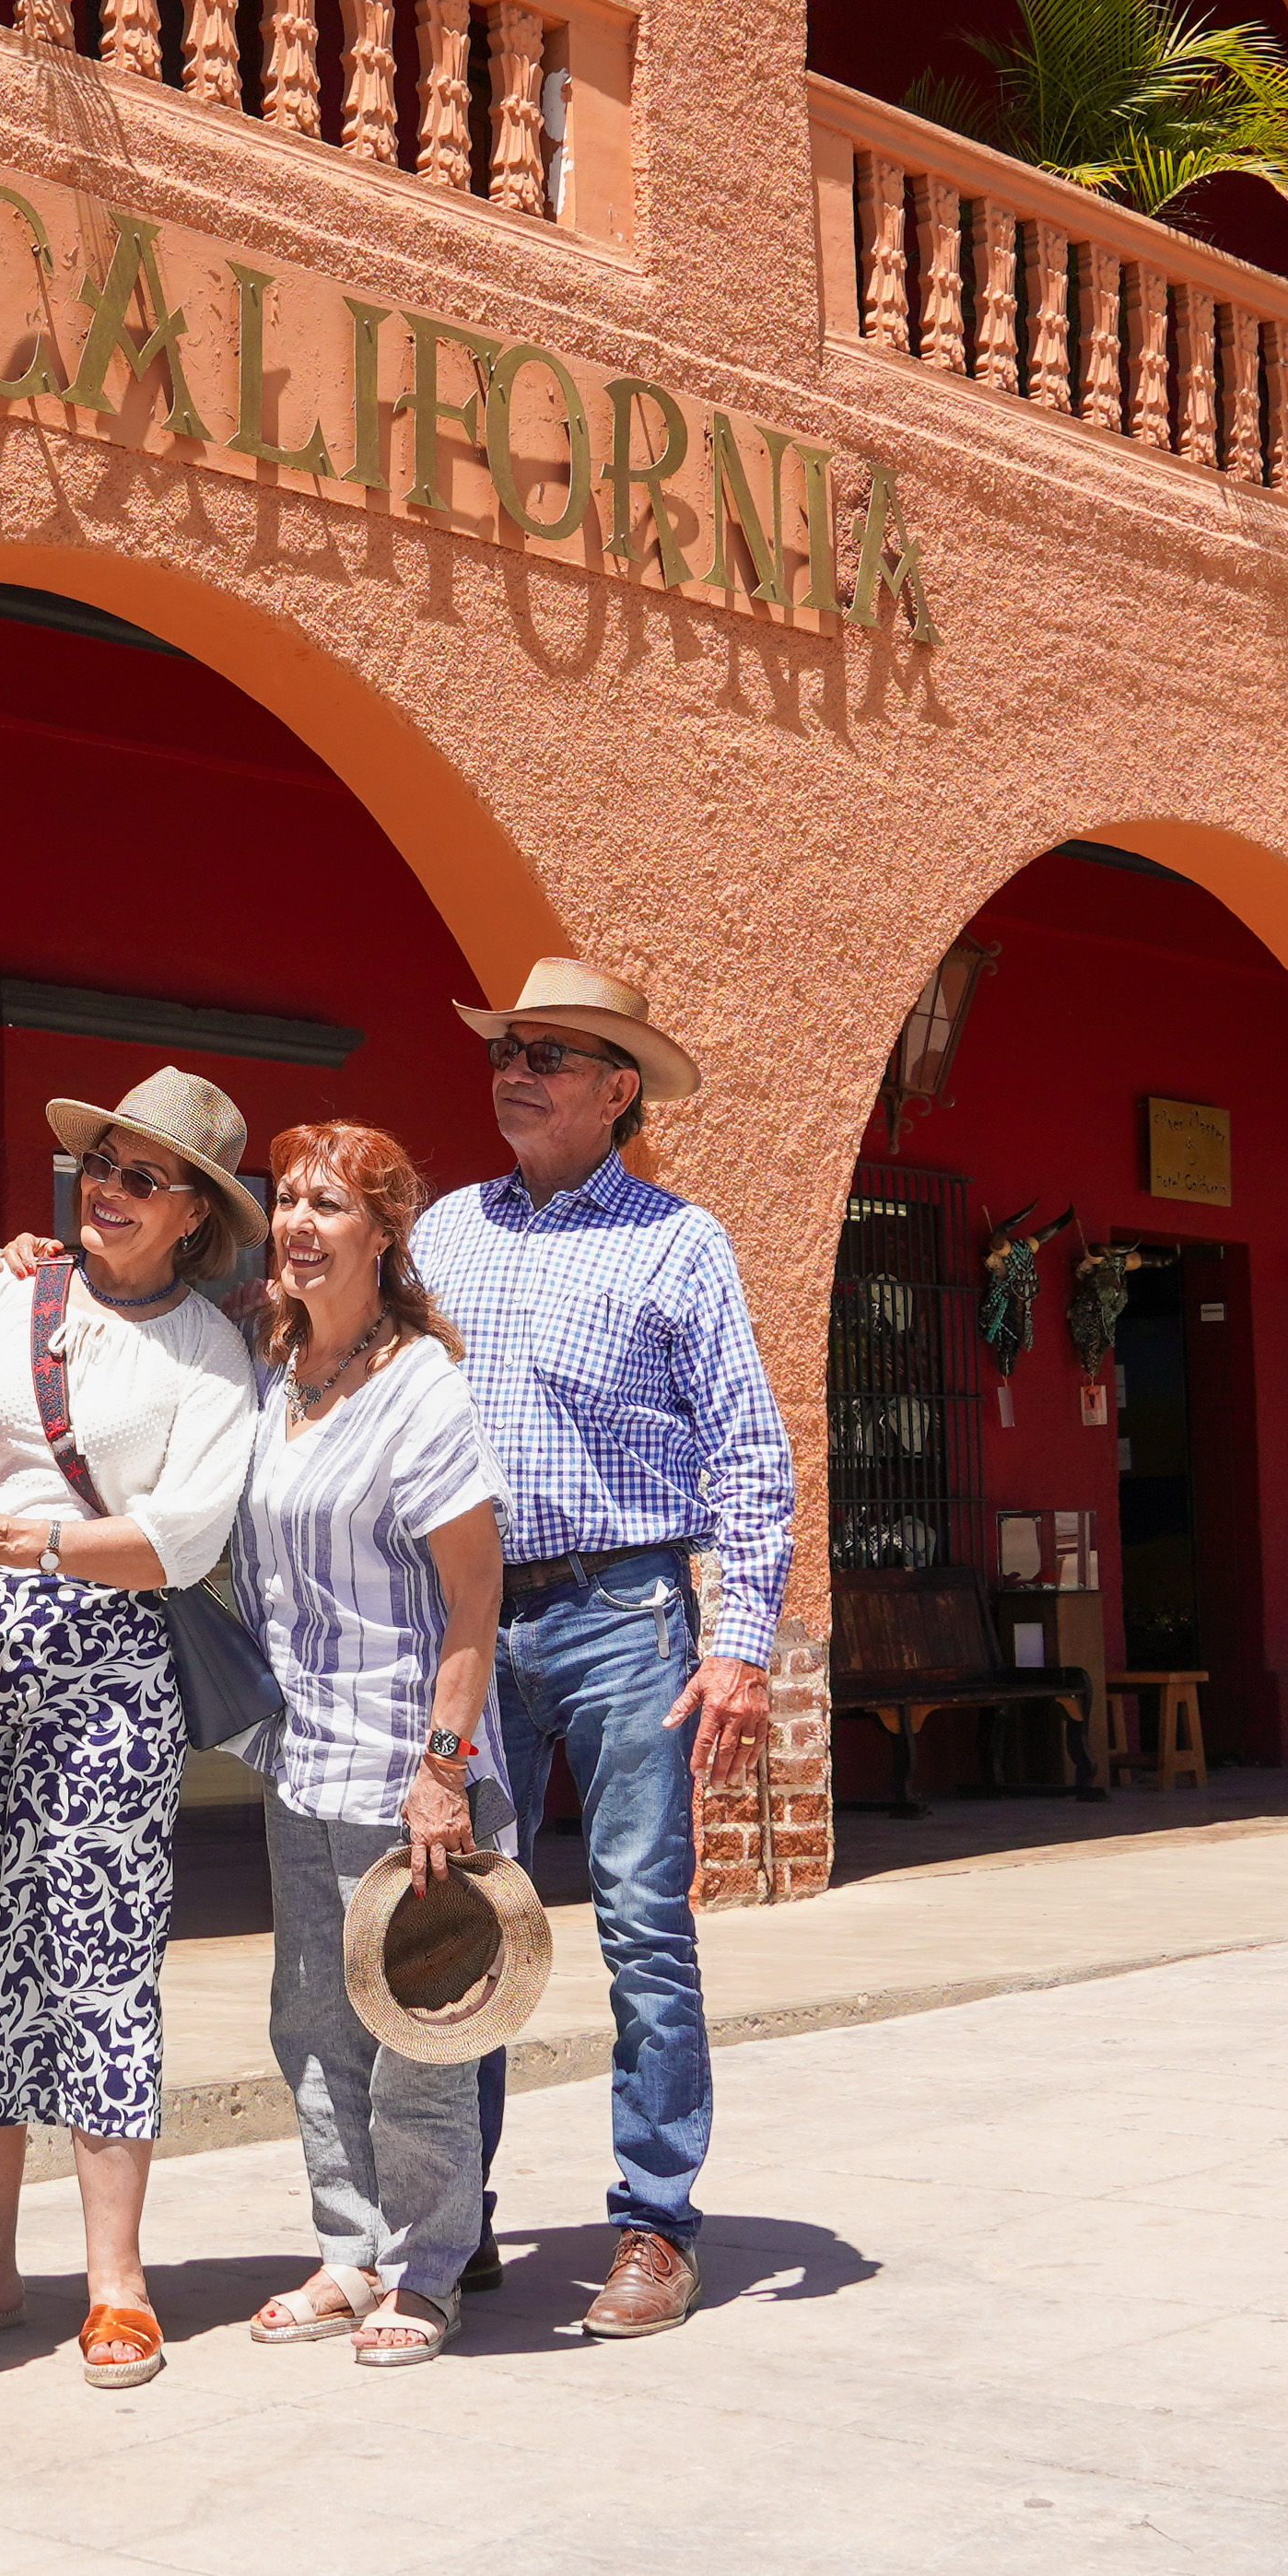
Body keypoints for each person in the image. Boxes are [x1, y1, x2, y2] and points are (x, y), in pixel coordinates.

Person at [411, 955, 793, 2342]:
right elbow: (323, 1349)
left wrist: (738, 1641)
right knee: (456, 1916)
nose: (515, 1072)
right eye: (506, 1050)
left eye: (550, 1056)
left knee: (640, 1922)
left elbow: (749, 1454)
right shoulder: (444, 1233)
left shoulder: (679, 1243)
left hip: (627, 1614)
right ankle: (457, 2220)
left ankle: (655, 2223)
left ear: (616, 1090)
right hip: (467, 1620)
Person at [0, 1066, 263, 2392]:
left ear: (195, 1220)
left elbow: (183, 1538)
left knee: (98, 1956)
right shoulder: (5, 1289)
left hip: (107, 1667)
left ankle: (117, 2281)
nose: (108, 1192)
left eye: (142, 1179)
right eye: (100, 1166)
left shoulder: (211, 1355)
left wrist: (27, 1536)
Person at [228, 1121, 509, 2370]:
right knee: (312, 2018)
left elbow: (474, 1597)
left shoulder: (421, 1386)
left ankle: (428, 2269)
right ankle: (347, 2251)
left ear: (385, 1235)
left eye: (330, 1204)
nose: (299, 1223)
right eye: (287, 1199)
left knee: (417, 2027)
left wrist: (444, 1775)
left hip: (406, 1766)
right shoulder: (275, 1375)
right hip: (302, 1757)